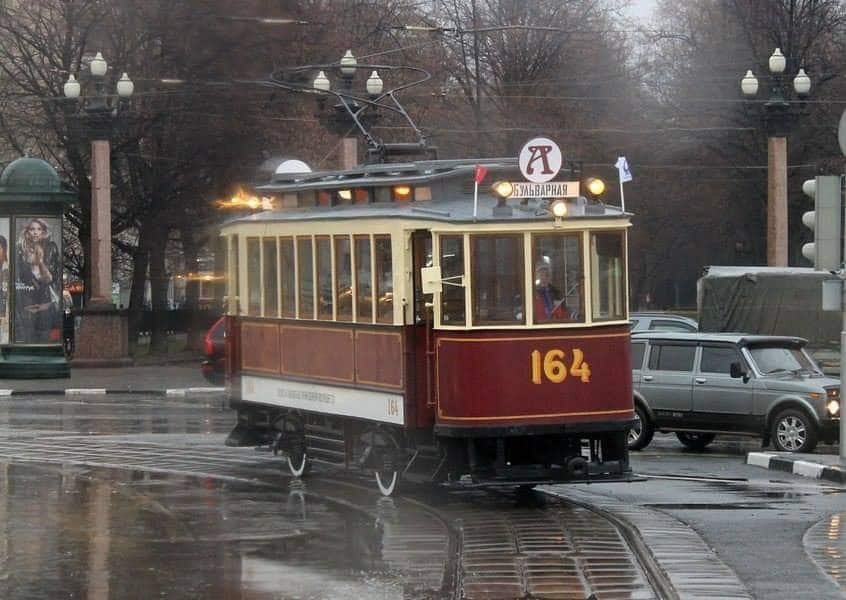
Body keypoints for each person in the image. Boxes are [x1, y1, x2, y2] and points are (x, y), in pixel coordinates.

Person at [15, 218, 61, 343]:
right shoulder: (21, 249)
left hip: (44, 299)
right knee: (27, 334)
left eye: (39, 229)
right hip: (27, 298)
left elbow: (50, 279)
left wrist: (39, 263)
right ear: (27, 231)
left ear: (43, 231)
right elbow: (19, 276)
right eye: (32, 229)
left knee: (44, 333)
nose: (35, 232)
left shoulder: (51, 247)